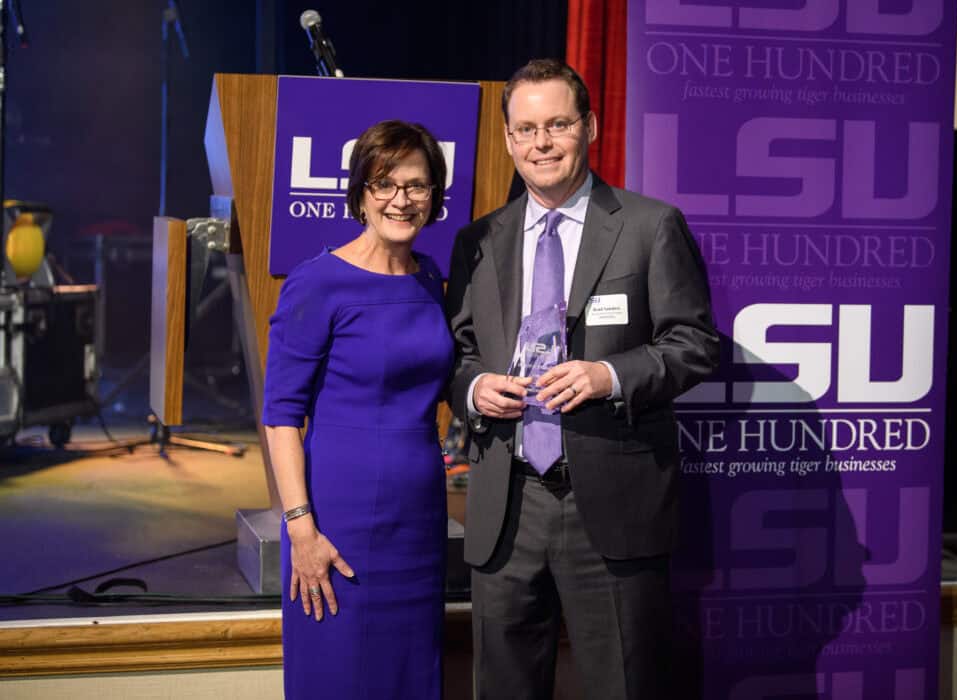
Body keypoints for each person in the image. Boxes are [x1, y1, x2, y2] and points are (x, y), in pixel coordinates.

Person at [446, 59, 719, 699]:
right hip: (507, 506)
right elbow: (457, 353)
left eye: (558, 125)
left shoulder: (650, 227)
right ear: (508, 139)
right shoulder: (478, 240)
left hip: (613, 505)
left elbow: (695, 344)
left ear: (589, 127)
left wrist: (609, 374)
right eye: (527, 129)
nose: (542, 143)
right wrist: (474, 390)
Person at [262, 119, 451, 699]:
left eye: (416, 185)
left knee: (409, 677)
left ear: (434, 195)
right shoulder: (318, 283)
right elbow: (280, 416)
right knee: (339, 674)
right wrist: (301, 530)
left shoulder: (431, 278)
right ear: (360, 193)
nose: (401, 199)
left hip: (418, 520)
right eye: (384, 184)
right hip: (337, 521)